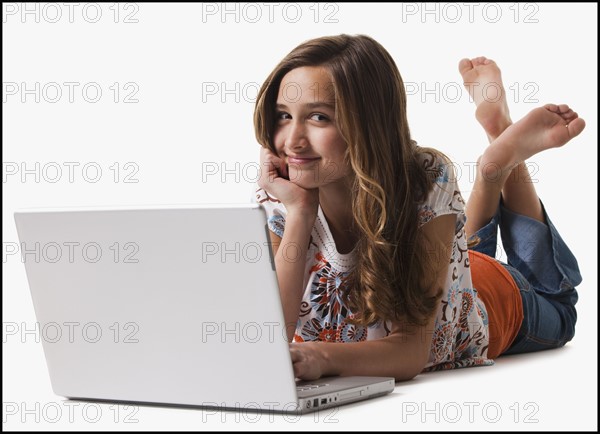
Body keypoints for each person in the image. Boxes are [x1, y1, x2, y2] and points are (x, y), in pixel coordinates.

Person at [252, 34, 585, 381]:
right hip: (452, 267)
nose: (292, 141)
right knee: (464, 253)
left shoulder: (425, 178)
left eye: (319, 117)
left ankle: (497, 158)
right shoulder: (285, 193)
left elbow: (409, 352)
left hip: (491, 298)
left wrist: (321, 354)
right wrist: (301, 213)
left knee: (559, 308)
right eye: (283, 115)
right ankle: (496, 162)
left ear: (369, 122)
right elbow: (269, 340)